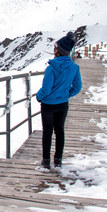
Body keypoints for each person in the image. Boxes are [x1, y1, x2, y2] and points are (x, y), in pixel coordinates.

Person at [34, 31, 82, 172]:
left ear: (58, 51)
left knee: (47, 132)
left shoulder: (51, 68)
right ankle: (58, 160)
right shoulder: (74, 67)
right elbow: (77, 87)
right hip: (62, 104)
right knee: (59, 131)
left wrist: (39, 96)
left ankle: (46, 161)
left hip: (48, 105)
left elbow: (46, 89)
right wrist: (66, 94)